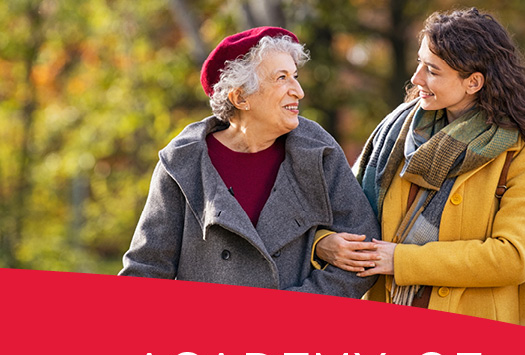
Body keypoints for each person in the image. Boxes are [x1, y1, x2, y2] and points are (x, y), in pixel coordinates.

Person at [315, 8, 525, 326]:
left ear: (473, 82)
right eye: (420, 63)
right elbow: (341, 210)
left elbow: (513, 257)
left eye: (432, 70)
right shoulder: (397, 133)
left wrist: (401, 260)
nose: (416, 78)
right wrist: (323, 242)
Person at [120, 26, 380, 297]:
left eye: (295, 76)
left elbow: (364, 248)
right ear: (240, 97)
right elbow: (146, 269)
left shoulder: (317, 150)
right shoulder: (183, 163)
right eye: (282, 78)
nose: (299, 91)